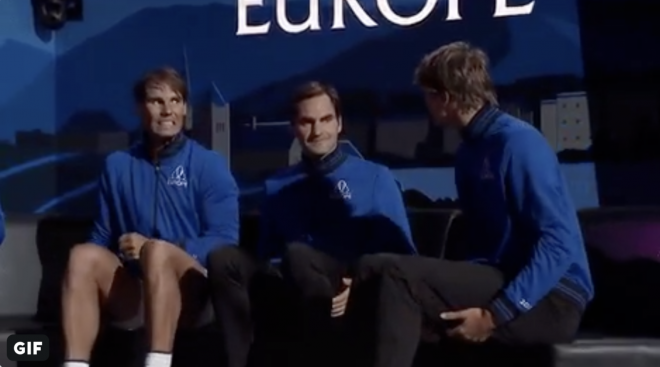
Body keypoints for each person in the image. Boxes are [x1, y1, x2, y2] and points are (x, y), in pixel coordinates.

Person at [353, 42, 594, 367]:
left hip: (552, 299)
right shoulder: (470, 150)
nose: (425, 103)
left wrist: (494, 315)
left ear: (446, 98)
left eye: (427, 93)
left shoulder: (519, 144)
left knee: (399, 275)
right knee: (373, 267)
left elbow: (558, 244)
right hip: (499, 276)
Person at [207, 81, 417, 367]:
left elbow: (403, 258)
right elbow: (267, 254)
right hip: (288, 284)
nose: (317, 131)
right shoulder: (277, 185)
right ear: (294, 128)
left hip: (349, 285)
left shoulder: (376, 178)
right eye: (307, 122)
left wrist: (355, 283)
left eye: (326, 120)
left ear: (339, 123)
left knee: (299, 254)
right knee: (223, 258)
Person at [61, 67, 239, 367]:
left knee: (156, 251)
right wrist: (122, 252)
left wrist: (161, 247)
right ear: (140, 108)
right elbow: (101, 236)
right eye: (157, 101)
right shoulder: (118, 165)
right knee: (82, 256)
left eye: (176, 100)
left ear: (185, 108)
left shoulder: (209, 164)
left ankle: (157, 362)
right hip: (136, 289)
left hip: (192, 294)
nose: (168, 110)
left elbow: (226, 240)